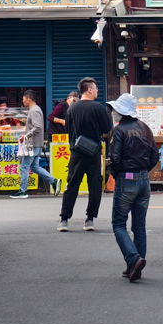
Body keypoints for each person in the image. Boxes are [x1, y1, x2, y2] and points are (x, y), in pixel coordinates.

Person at [106, 93, 159, 282]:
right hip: (144, 179)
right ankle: (135, 266)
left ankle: (133, 258)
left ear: (120, 111)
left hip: (126, 179)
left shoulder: (119, 130)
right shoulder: (145, 128)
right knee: (139, 226)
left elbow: (116, 158)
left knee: (119, 223)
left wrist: (116, 173)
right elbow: (155, 156)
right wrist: (143, 171)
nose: (113, 113)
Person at [58, 77, 112, 232]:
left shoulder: (71, 108)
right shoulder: (98, 107)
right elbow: (107, 128)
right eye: (95, 88)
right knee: (94, 186)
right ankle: (89, 219)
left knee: (72, 185)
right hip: (94, 152)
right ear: (89, 89)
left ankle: (64, 220)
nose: (97, 91)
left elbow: (68, 128)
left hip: (76, 152)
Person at [12, 90, 59, 198]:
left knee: (24, 166)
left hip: (32, 144)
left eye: (24, 100)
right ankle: (54, 181)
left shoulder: (34, 111)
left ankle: (22, 191)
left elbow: (37, 127)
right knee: (34, 167)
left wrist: (26, 136)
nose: (23, 102)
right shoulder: (35, 110)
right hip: (35, 144)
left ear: (29, 99)